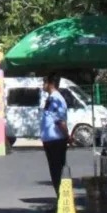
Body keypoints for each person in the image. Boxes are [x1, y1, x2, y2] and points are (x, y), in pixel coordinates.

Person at [40, 74, 70, 204]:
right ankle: (59, 201)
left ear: (51, 83)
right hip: (50, 140)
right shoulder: (51, 98)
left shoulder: (57, 99)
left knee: (57, 172)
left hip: (56, 140)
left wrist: (67, 136)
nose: (43, 85)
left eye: (44, 82)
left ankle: (62, 202)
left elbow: (60, 120)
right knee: (54, 172)